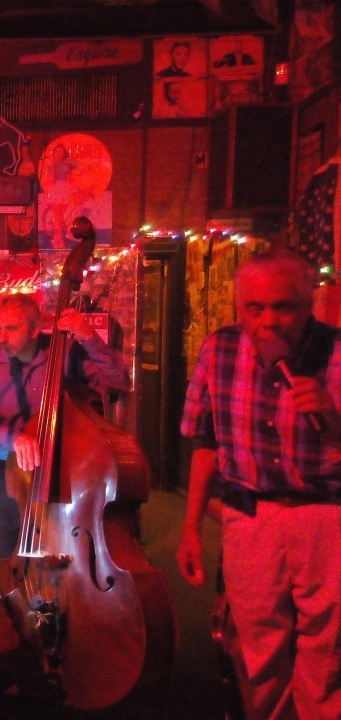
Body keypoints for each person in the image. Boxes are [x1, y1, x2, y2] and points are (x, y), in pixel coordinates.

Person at [176, 249, 341, 720]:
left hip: (326, 517)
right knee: (257, 653)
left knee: (326, 657)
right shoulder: (220, 349)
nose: (269, 320)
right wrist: (191, 528)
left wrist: (333, 421)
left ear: (308, 304)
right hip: (250, 518)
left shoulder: (337, 352)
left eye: (283, 307)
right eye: (255, 308)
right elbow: (205, 442)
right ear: (239, 306)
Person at [0, 294, 130, 559]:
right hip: (10, 473)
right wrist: (15, 439)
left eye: (12, 328)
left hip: (65, 474)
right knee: (9, 554)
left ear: (35, 329)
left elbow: (119, 382)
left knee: (66, 552)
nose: (2, 338)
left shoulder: (64, 353)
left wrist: (88, 337)